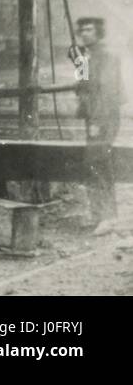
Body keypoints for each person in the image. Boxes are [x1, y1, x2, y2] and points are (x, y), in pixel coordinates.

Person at [73, 17, 123, 234]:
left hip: (104, 116)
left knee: (100, 162)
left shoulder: (108, 57)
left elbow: (107, 91)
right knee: (91, 163)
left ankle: (109, 217)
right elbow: (82, 86)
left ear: (99, 32)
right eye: (82, 30)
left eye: (90, 30)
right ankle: (97, 213)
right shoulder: (84, 56)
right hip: (91, 116)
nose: (85, 33)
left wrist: (96, 121)